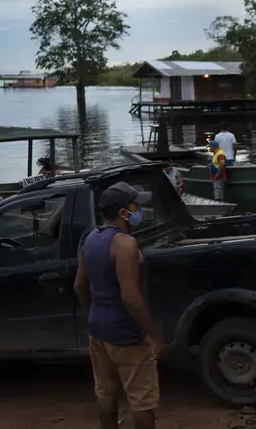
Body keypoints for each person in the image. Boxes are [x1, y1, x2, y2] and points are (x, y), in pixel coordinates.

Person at [73, 182, 162, 429]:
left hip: (98, 331)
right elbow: (130, 297)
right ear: (123, 212)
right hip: (127, 335)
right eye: (135, 205)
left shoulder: (89, 239)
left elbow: (79, 286)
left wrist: (95, 313)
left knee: (105, 392)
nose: (138, 210)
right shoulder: (124, 244)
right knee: (141, 400)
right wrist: (154, 336)